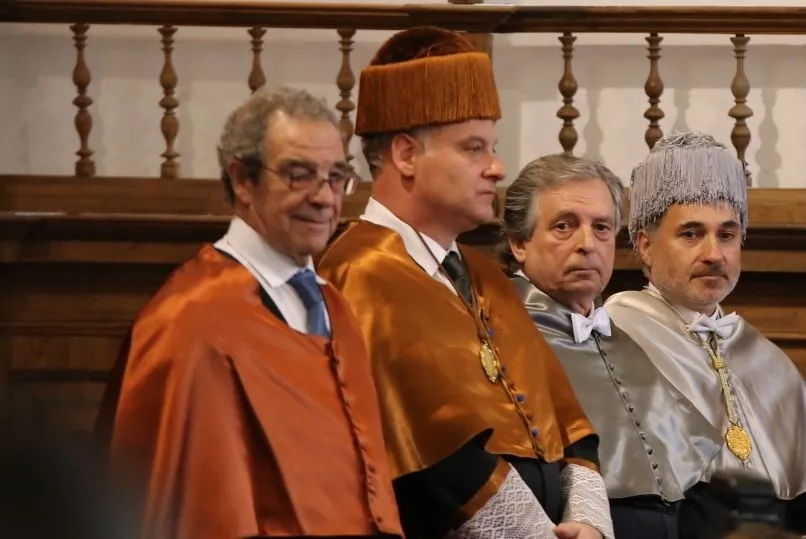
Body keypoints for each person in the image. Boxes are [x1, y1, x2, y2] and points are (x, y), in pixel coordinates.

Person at [318, 26, 614, 539]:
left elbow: (568, 424)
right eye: (474, 149)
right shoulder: (360, 272)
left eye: (492, 148)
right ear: (407, 155)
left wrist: (588, 521)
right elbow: (432, 458)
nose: (497, 168)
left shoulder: (482, 273)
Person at [94, 86, 403, 539]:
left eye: (336, 177)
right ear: (242, 180)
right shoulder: (190, 321)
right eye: (300, 175)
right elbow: (195, 512)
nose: (325, 198)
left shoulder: (333, 305)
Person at [603, 131, 806, 539]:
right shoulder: (616, 337)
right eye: (691, 234)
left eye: (727, 234)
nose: (713, 254)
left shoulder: (758, 353)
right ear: (645, 246)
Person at [498, 153, 723, 539]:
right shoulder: (496, 338)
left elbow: (690, 480)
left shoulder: (630, 343)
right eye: (564, 226)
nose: (588, 244)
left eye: (602, 228)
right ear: (520, 242)